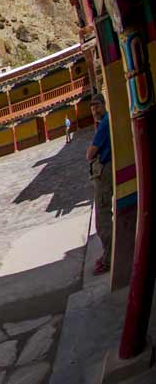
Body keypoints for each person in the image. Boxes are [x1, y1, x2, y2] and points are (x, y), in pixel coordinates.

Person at [86, 94, 112, 276]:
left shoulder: (104, 125)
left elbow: (90, 154)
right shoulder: (106, 122)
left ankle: (110, 257)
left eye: (97, 106)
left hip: (104, 173)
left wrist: (91, 152)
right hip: (105, 171)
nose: (95, 110)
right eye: (92, 108)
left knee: (102, 219)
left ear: (104, 105)